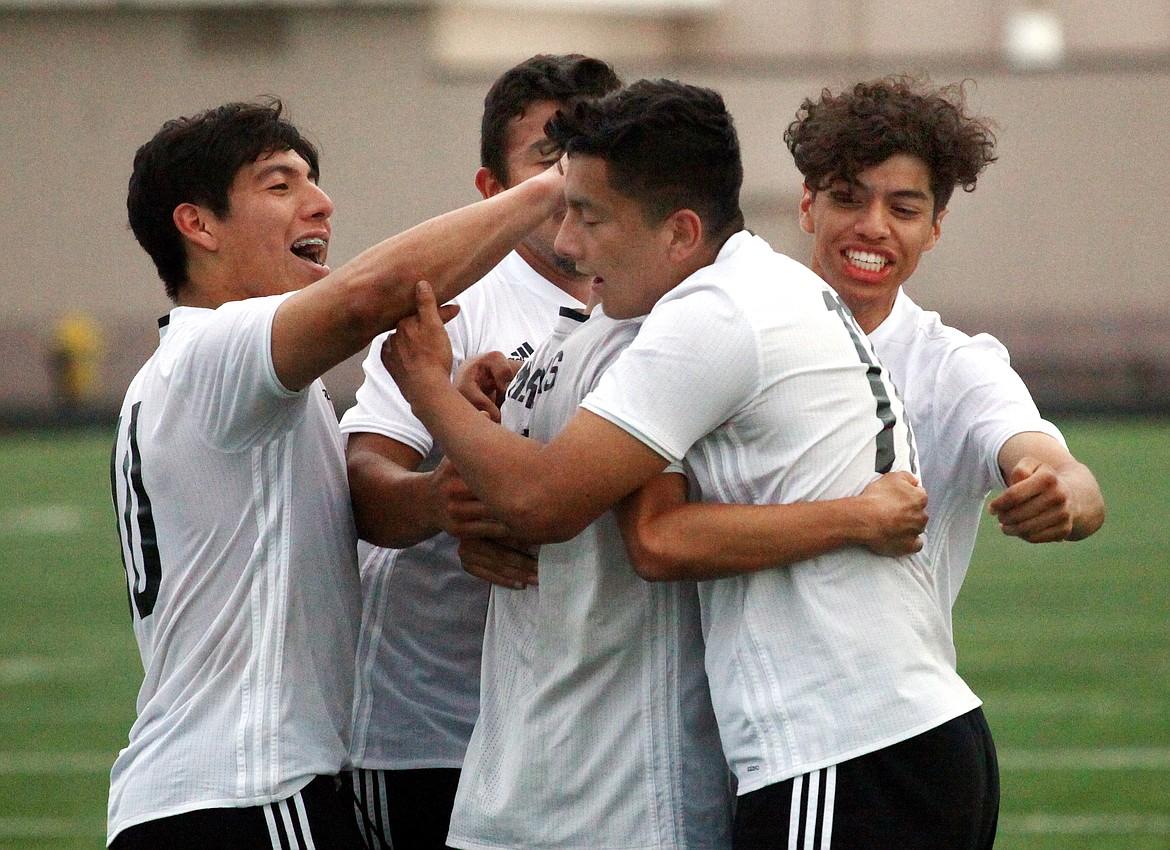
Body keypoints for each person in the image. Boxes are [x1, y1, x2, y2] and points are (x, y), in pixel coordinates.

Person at [387, 79, 995, 849]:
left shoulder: (715, 314)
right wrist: (496, 422)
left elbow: (604, 522)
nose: (567, 242)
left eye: (589, 215)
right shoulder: (690, 305)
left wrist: (426, 390)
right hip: (857, 746)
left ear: (679, 232)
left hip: (844, 741)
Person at [106, 98, 568, 849]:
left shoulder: (229, 378)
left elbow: (331, 523)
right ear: (198, 225)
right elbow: (366, 299)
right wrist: (556, 185)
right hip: (253, 795)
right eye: (279, 185)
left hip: (207, 796)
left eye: (312, 181)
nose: (320, 202)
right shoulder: (217, 351)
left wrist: (443, 452)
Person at [340, 54, 621, 849]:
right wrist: (442, 501)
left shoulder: (655, 304)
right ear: (493, 191)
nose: (575, 178)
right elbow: (362, 480)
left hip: (584, 726)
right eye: (549, 156)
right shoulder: (459, 300)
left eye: (593, 148)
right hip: (433, 728)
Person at [784, 75, 1105, 632]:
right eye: (847, 199)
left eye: (903, 210)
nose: (872, 227)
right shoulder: (736, 338)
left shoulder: (955, 367)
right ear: (808, 205)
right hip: (732, 712)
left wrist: (1062, 497)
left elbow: (1067, 476)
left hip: (898, 707)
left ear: (935, 229)